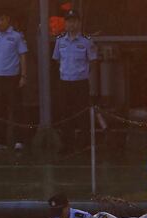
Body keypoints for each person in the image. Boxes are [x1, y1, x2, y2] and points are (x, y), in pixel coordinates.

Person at [0, 10, 28, 151]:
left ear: (7, 19)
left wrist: (23, 76)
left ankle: (19, 140)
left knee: (15, 109)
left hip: (12, 77)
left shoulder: (16, 36)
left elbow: (22, 56)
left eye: (2, 20)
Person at [52, 9, 97, 153]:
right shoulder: (60, 41)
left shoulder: (86, 41)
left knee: (82, 113)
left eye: (74, 21)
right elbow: (57, 61)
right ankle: (67, 144)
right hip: (65, 82)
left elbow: (92, 62)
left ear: (79, 23)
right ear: (65, 23)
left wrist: (83, 74)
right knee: (66, 113)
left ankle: (84, 144)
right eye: (69, 21)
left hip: (80, 83)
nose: (71, 24)